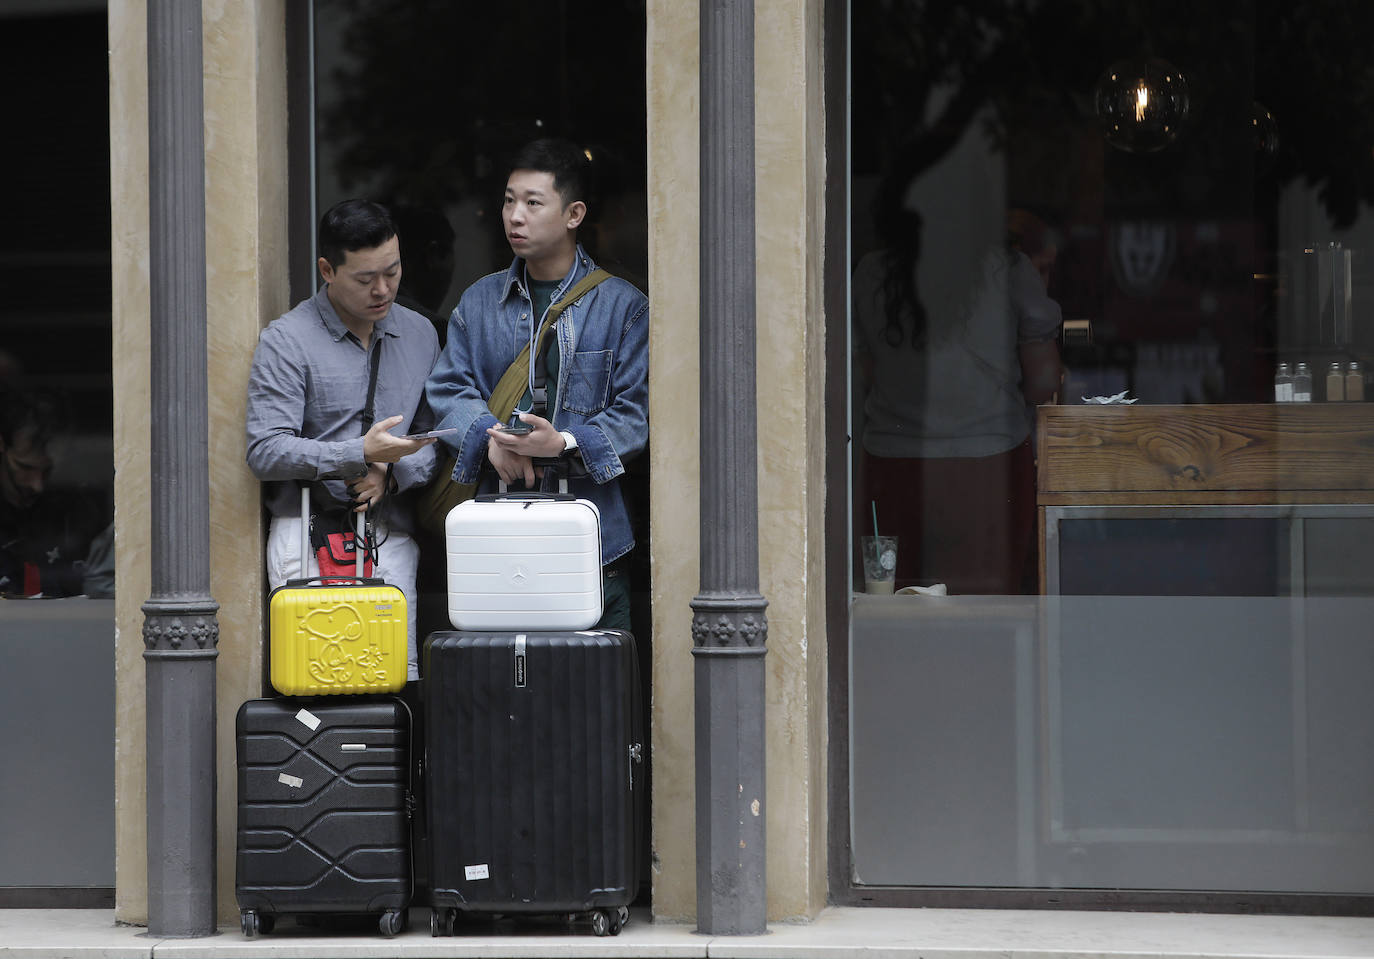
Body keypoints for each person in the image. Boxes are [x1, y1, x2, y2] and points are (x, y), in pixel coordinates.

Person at [425, 138, 649, 631]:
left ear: (573, 214)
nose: (514, 216)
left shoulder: (623, 306)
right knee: (503, 685)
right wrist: (489, 439)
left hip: (594, 539)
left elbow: (637, 412)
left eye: (532, 202)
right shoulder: (480, 301)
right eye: (508, 200)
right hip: (493, 531)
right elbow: (447, 389)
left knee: (594, 691)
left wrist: (564, 442)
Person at [246, 199, 439, 680]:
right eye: (364, 279)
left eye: (392, 272)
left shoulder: (420, 333)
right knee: (315, 681)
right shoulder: (286, 340)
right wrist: (358, 455)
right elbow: (264, 450)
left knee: (395, 678)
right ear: (327, 270)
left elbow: (437, 433)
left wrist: (390, 475)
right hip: (305, 533)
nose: (383, 289)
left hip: (389, 533)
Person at [852, 204, 1062, 595]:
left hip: (894, 465)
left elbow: (866, 374)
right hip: (989, 467)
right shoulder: (1009, 270)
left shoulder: (870, 273)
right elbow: (1043, 381)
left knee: (894, 614)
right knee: (984, 617)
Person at [0, 389, 109, 597]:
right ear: (1, 445)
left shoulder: (79, 511)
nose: (37, 485)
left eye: (48, 471)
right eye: (25, 468)